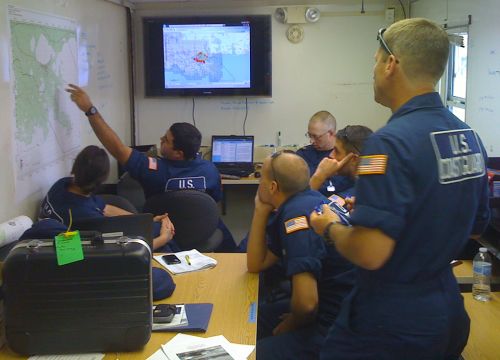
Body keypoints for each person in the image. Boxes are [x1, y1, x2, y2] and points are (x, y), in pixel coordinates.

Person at [310, 18, 490, 359]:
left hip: (390, 324)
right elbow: (477, 225)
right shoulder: (467, 136)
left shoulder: (388, 144)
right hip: (446, 310)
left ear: (391, 64)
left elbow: (369, 252)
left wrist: (329, 227)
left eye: (376, 61)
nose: (374, 71)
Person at [65, 84, 236, 251]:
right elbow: (214, 201)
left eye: (166, 140)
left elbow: (116, 148)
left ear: (179, 153)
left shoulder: (153, 169)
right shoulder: (210, 170)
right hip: (201, 234)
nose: (161, 139)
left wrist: (90, 110)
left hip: (160, 236)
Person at [247, 151, 354, 359]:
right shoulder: (309, 200)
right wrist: (260, 210)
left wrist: (291, 324)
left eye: (261, 177)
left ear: (273, 187)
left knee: (252, 354)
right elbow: (256, 264)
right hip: (334, 307)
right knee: (250, 317)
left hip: (336, 325)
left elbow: (306, 304)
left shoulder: (296, 217)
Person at [39, 145, 175, 251]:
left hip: (70, 247)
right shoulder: (85, 216)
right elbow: (112, 252)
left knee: (156, 227)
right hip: (79, 260)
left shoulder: (61, 185)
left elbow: (105, 208)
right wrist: (163, 239)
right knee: (163, 237)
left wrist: (144, 220)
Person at [296, 111, 354, 197]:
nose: (311, 141)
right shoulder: (302, 156)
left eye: (316, 136)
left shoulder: (345, 155)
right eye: (309, 135)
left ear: (331, 133)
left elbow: (355, 187)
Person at [309, 125, 373, 199]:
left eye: (337, 151)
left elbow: (301, 207)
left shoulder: (357, 193)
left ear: (354, 159)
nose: (331, 155)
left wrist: (319, 176)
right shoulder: (366, 183)